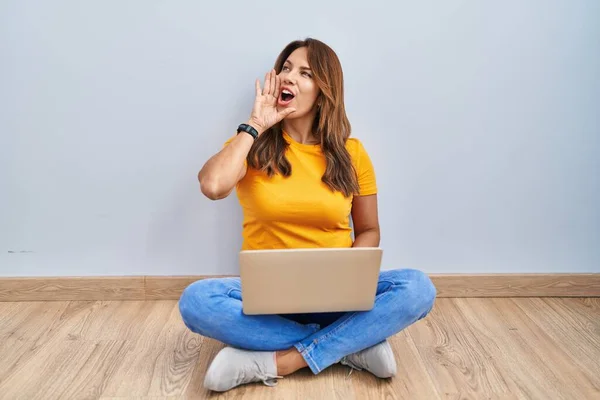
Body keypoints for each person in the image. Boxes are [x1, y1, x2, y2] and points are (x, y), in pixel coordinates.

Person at [178, 38, 436, 392]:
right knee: (196, 301)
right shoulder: (252, 148)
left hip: (336, 297)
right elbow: (212, 185)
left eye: (305, 73)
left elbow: (369, 229)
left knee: (418, 287)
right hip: (267, 301)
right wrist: (254, 125)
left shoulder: (351, 153)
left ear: (323, 91)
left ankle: (274, 360)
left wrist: (350, 278)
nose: (289, 78)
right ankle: (351, 346)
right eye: (285, 68)